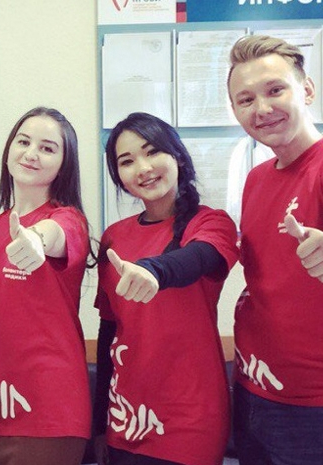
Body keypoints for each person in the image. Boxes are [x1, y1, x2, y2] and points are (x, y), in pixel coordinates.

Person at [226, 35, 323, 464]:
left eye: (275, 90)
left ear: (307, 89)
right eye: (245, 100)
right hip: (251, 386)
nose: (262, 109)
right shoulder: (256, 179)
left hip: (320, 405)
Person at [93, 112, 238, 465]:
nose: (143, 168)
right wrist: (99, 423)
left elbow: (198, 257)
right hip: (125, 414)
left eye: (152, 151)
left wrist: (153, 271)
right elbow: (109, 332)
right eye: (127, 161)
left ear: (178, 157)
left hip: (190, 415)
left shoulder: (210, 221)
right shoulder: (114, 237)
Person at [0, 107, 93, 465]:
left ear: (64, 164)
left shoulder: (69, 220)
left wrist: (35, 239)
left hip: (50, 413)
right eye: (24, 142)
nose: (32, 153)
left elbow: (54, 235)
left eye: (47, 148)